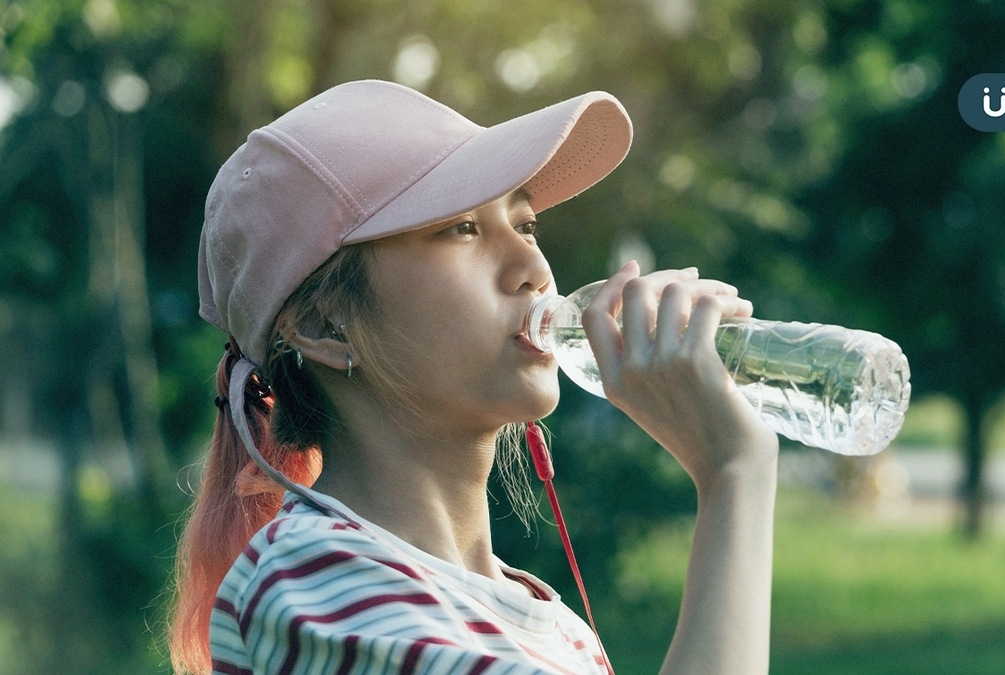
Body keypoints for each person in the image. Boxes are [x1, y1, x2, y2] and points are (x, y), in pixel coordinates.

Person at [169, 79, 779, 675]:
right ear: (324, 325)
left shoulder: (554, 626)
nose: (534, 268)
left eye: (526, 224)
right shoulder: (318, 584)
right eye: (461, 227)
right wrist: (734, 476)